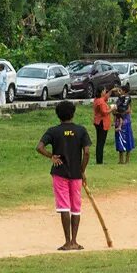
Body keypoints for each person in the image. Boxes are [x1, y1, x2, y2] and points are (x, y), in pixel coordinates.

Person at [36, 100, 91, 251]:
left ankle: (67, 242)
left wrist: (51, 156)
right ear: (73, 114)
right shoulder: (81, 130)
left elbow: (39, 147)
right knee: (76, 207)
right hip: (76, 173)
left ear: (58, 115)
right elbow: (86, 152)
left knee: (64, 206)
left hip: (59, 173)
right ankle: (75, 241)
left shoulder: (53, 131)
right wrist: (82, 170)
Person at [113, 87, 135, 164]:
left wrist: (122, 112)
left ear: (124, 91)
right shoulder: (119, 99)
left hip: (126, 121)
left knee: (127, 139)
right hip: (118, 121)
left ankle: (127, 159)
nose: (118, 92)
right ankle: (120, 159)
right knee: (119, 139)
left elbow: (129, 110)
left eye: (120, 90)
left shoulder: (127, 99)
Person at [92, 88, 112, 165]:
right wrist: (112, 109)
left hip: (98, 122)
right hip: (101, 123)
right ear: (101, 92)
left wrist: (111, 90)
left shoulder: (98, 99)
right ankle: (99, 161)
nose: (105, 92)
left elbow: (106, 97)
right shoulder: (100, 101)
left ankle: (99, 160)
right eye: (104, 90)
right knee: (101, 142)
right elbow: (104, 112)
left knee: (100, 142)